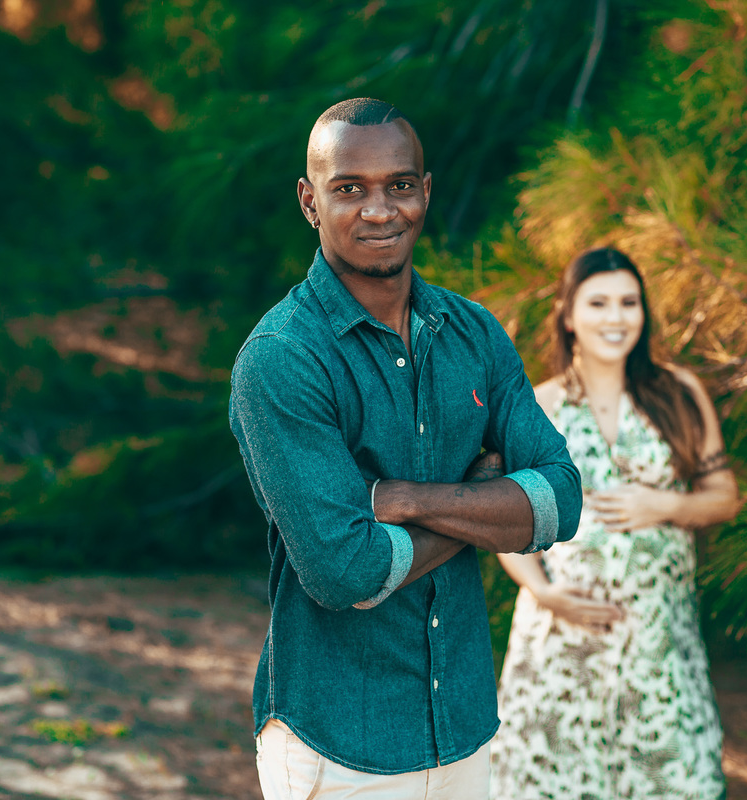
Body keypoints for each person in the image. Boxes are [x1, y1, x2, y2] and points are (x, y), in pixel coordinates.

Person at [228, 98, 582, 800]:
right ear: (309, 201)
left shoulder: (475, 334)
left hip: (462, 733)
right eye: (349, 188)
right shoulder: (283, 357)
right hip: (337, 744)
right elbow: (346, 571)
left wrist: (404, 500)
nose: (379, 209)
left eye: (399, 185)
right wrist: (481, 501)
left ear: (426, 192)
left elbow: (560, 502)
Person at [491, 247, 740, 799]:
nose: (616, 317)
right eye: (598, 302)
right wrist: (542, 592)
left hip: (658, 645)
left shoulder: (678, 393)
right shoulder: (538, 406)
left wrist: (664, 505)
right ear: (568, 315)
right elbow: (504, 522)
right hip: (560, 647)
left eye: (629, 303)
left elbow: (724, 497)